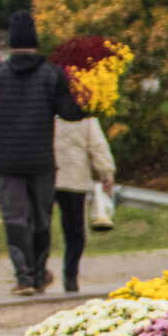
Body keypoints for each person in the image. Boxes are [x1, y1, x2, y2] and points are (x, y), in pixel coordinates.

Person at [0, 9, 83, 295]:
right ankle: (38, 274)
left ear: (10, 41)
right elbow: (69, 113)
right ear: (35, 40)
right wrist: (87, 95)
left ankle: (23, 276)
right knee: (41, 218)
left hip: (7, 160)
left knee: (14, 218)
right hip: (42, 160)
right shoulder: (51, 74)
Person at [53, 110, 116, 294]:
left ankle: (37, 273)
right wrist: (106, 174)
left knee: (40, 227)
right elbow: (98, 147)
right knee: (75, 231)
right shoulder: (87, 118)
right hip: (75, 180)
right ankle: (70, 275)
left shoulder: (47, 111)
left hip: (46, 177)